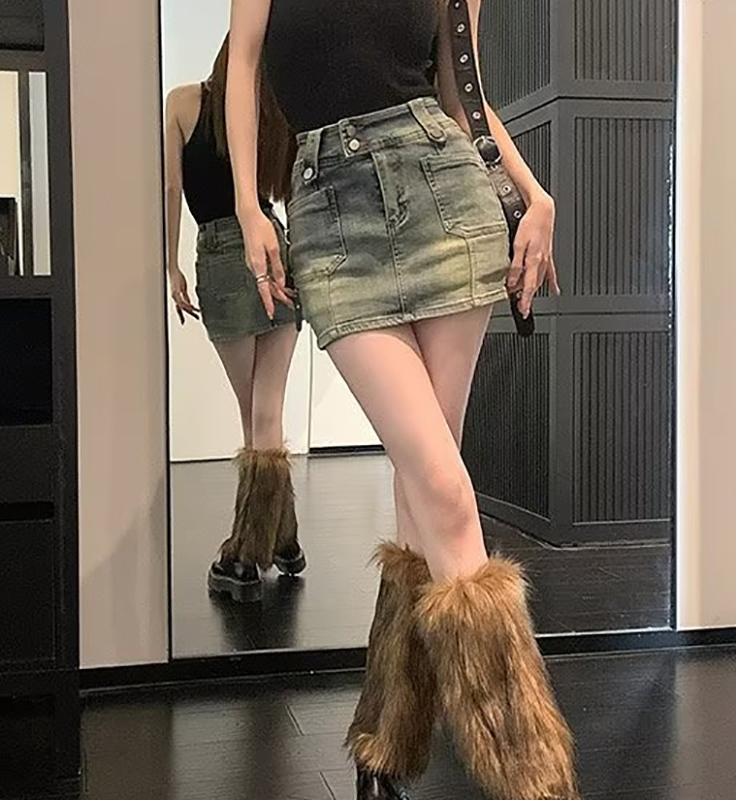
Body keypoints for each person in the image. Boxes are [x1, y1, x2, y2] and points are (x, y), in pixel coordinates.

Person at [226, 1, 579, 799]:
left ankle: (388, 739)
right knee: (445, 492)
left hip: (446, 201)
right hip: (330, 216)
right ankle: (535, 780)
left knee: (425, 492)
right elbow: (243, 66)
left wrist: (535, 194)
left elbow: (464, 101)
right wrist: (249, 206)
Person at [164, 35, 306, 604]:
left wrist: (169, 263)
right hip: (276, 248)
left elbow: (170, 187)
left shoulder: (181, 102)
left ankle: (246, 557)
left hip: (224, 254)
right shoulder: (268, 116)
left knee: (254, 417)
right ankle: (284, 540)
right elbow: (289, 190)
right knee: (267, 413)